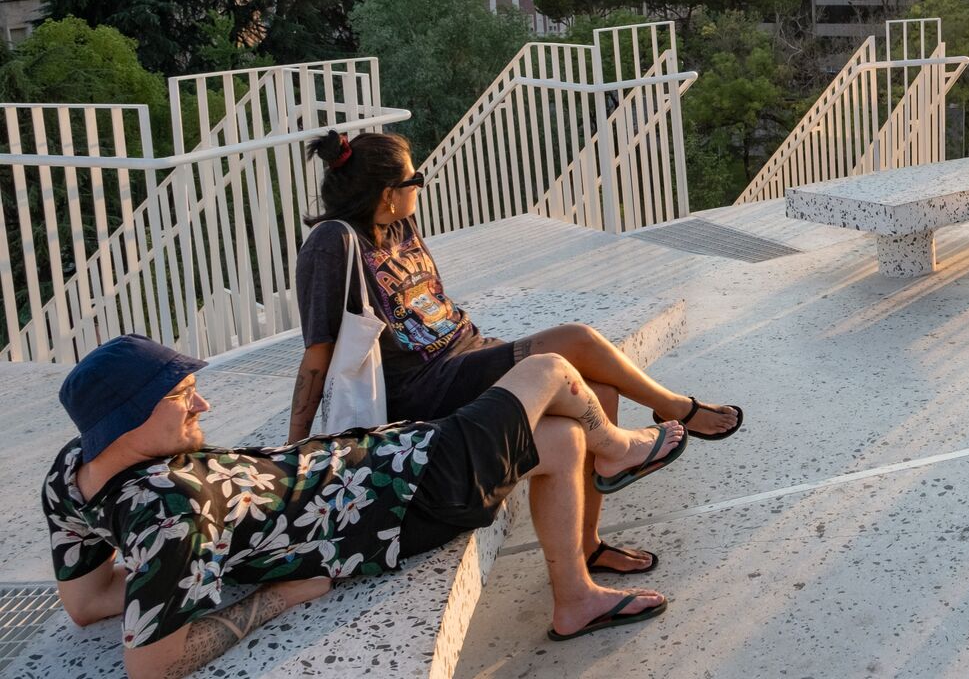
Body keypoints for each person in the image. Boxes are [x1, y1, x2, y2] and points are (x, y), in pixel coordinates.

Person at [44, 335, 690, 678]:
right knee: (551, 366)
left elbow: (85, 602)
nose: (202, 406)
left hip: (384, 464)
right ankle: (621, 447)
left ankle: (574, 597)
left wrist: (192, 572)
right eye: (183, 396)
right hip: (406, 498)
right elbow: (151, 664)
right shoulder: (167, 516)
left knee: (554, 437)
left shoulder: (72, 475)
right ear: (129, 420)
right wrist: (273, 596)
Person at [291, 131, 739, 577]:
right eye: (416, 179)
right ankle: (675, 408)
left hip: (467, 354)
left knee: (599, 390)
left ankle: (588, 546)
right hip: (425, 387)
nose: (420, 188)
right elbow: (318, 353)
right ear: (389, 194)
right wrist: (295, 451)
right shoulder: (333, 244)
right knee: (576, 339)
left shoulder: (397, 223)